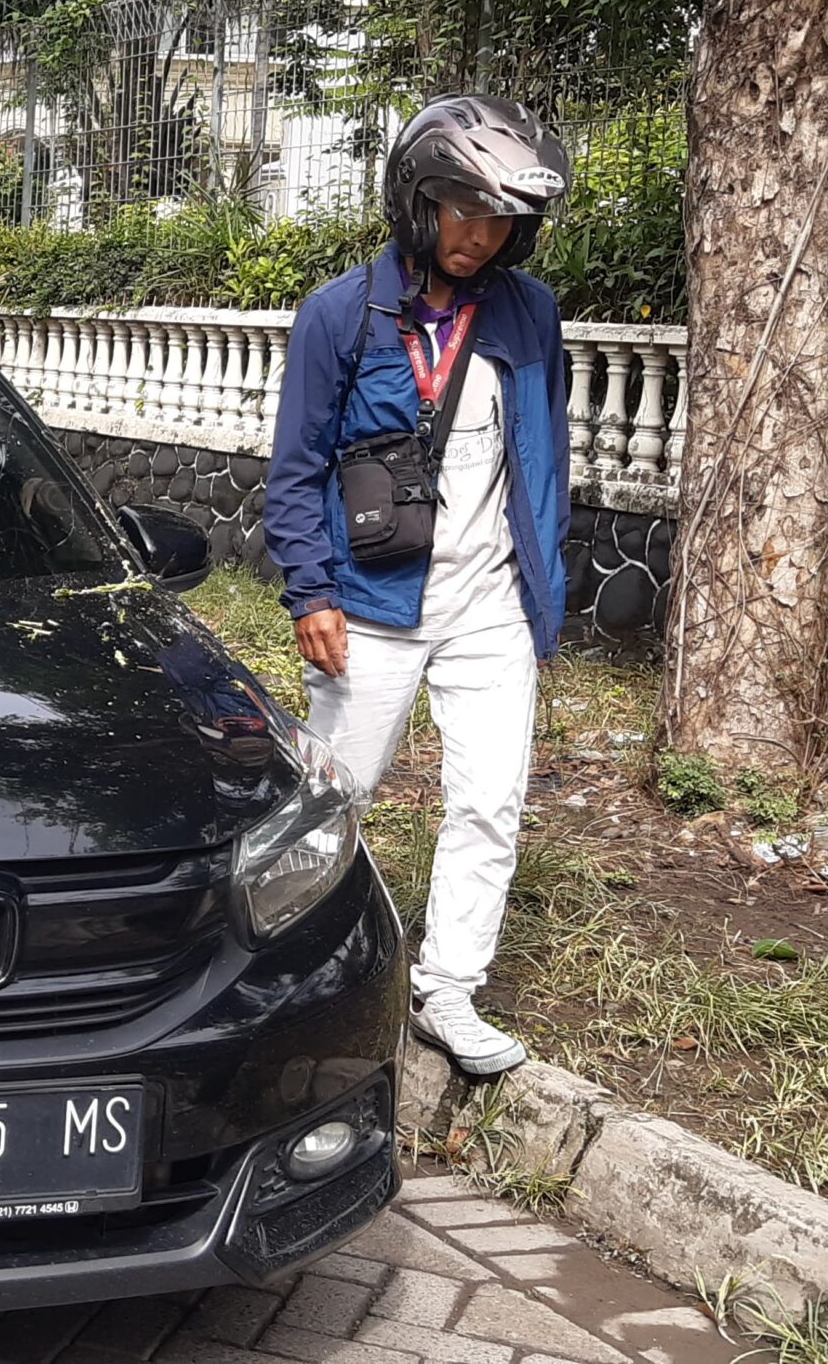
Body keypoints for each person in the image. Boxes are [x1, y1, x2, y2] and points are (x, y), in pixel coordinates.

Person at [262, 95, 571, 1077]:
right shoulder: (340, 314)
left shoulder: (530, 315)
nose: (479, 235)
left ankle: (446, 992)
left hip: (490, 613)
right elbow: (295, 467)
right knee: (328, 803)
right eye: (459, 210)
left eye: (499, 218)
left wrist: (537, 597)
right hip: (372, 613)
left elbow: (546, 456)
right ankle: (289, 977)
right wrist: (311, 592)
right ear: (416, 201)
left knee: (487, 805)